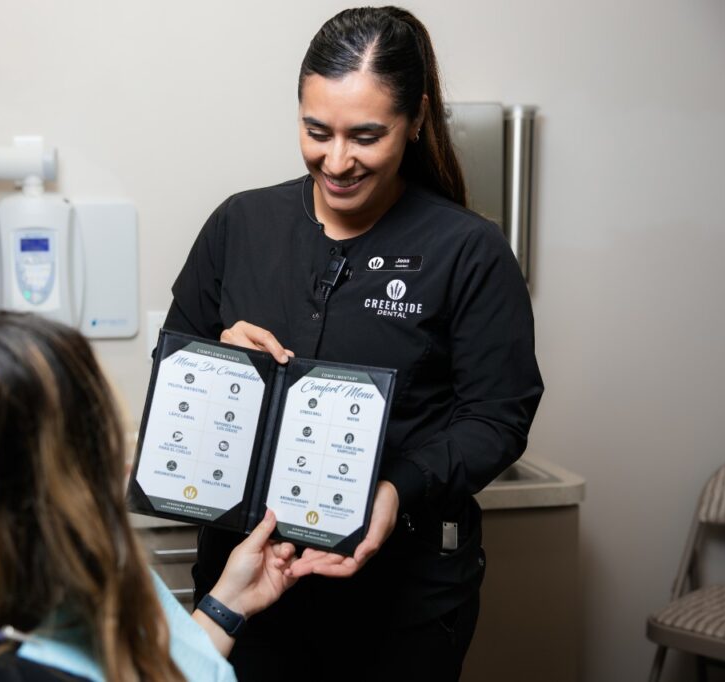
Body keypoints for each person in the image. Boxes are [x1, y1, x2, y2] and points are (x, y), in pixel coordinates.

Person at [163, 6, 544, 681]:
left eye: (366, 136)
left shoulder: (469, 251)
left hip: (404, 600)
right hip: (249, 585)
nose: (336, 161)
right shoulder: (240, 224)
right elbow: (176, 366)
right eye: (317, 132)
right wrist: (222, 359)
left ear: (417, 119)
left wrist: (399, 487)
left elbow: (498, 417)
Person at [0, 312, 297, 682]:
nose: (123, 467)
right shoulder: (17, 668)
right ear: (60, 483)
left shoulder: (49, 603)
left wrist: (229, 603)